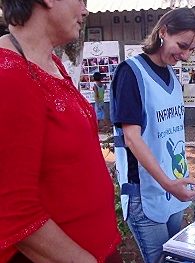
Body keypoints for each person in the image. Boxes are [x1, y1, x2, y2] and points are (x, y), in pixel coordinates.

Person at [0, 1, 122, 262]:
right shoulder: (8, 75)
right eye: (80, 0)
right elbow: (14, 213)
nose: (85, 11)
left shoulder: (50, 61)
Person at [110, 7, 195, 263]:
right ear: (163, 31)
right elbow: (132, 138)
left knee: (179, 257)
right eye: (182, 45)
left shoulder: (172, 74)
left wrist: (177, 181)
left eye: (192, 49)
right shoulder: (131, 73)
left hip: (173, 186)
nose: (185, 55)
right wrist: (167, 183)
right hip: (146, 191)